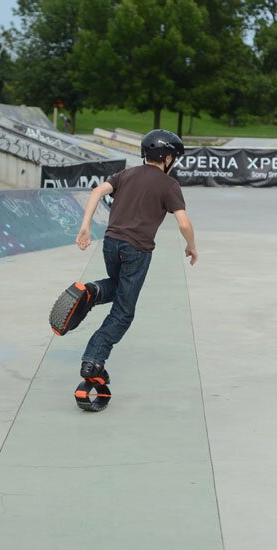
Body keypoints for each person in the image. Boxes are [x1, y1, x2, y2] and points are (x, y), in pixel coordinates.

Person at [49, 129, 198, 390]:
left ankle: (92, 291)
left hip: (111, 242)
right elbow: (183, 221)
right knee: (123, 312)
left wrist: (85, 227)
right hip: (137, 250)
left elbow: (96, 192)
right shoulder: (169, 185)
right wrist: (191, 246)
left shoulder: (126, 174)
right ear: (165, 157)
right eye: (173, 156)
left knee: (116, 286)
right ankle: (93, 359)